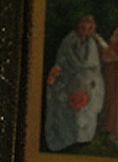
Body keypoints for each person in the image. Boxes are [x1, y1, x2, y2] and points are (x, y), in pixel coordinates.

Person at [44, 13, 109, 151]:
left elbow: (96, 64)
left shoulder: (94, 41)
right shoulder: (69, 41)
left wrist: (90, 82)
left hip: (90, 80)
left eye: (89, 29)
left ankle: (84, 138)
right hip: (71, 78)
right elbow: (62, 61)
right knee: (68, 104)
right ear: (79, 27)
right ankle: (70, 138)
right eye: (83, 28)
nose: (85, 32)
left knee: (90, 105)